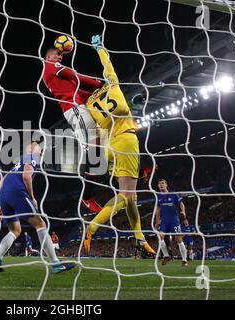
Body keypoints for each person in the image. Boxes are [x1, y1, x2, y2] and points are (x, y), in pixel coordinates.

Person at [83, 35, 156, 258]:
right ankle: (92, 226)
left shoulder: (89, 104)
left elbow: (95, 134)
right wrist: (100, 49)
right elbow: (108, 65)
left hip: (109, 148)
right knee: (126, 196)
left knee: (131, 197)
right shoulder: (111, 84)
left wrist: (94, 157)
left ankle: (140, 239)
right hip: (126, 139)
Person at [0, 141, 75, 273]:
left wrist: (2, 201)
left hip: (4, 194)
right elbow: (26, 176)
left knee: (15, 231)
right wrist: (32, 197)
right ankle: (55, 264)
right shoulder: (32, 157)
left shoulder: (19, 161)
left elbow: (2, 180)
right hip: (17, 192)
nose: (38, 147)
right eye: (36, 145)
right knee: (40, 224)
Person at [43, 46, 103, 213]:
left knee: (97, 148)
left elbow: (78, 91)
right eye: (57, 54)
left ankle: (89, 193)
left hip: (77, 108)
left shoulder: (59, 78)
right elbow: (75, 76)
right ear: (48, 56)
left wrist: (97, 91)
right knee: (94, 148)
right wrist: (98, 84)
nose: (60, 57)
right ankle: (87, 196)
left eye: (61, 55)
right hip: (75, 109)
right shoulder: (50, 66)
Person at [155, 179, 188, 267]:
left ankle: (184, 260)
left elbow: (181, 204)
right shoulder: (158, 196)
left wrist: (183, 211)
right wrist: (157, 221)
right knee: (160, 236)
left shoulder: (173, 194)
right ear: (158, 186)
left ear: (166, 185)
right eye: (159, 184)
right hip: (164, 221)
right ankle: (166, 256)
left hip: (174, 221)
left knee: (178, 239)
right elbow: (158, 210)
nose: (161, 185)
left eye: (162, 183)